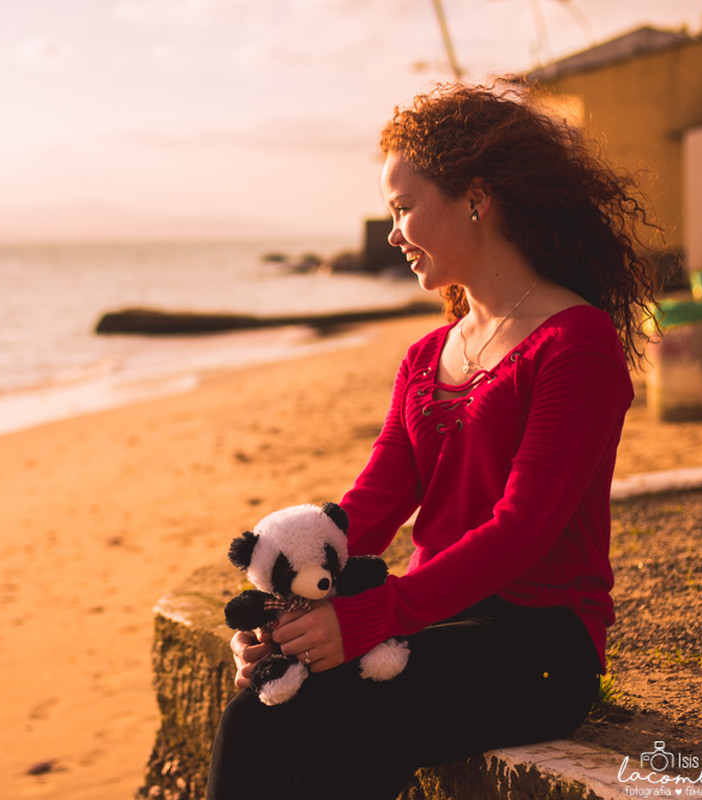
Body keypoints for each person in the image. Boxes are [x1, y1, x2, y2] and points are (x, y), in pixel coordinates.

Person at [207, 80, 660, 799]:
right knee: (257, 713)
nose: (391, 233)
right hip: (430, 621)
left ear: (476, 198)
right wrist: (280, 611)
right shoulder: (427, 356)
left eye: (404, 207)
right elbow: (367, 510)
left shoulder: (576, 345)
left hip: (539, 645)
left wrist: (368, 617)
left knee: (349, 720)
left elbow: (523, 530)